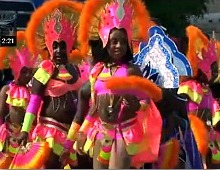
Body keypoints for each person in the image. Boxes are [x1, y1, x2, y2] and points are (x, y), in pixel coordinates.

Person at [64, 0, 163, 169]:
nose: (119, 46)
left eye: (123, 42)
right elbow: (93, 109)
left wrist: (135, 106)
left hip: (124, 134)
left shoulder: (132, 71)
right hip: (101, 133)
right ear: (105, 41)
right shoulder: (97, 71)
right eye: (114, 41)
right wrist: (80, 134)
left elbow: (145, 103)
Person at [16, 0, 84, 168]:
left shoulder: (77, 69)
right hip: (50, 132)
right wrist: (25, 130)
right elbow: (34, 101)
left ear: (70, 46)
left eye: (62, 46)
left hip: (71, 134)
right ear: (49, 46)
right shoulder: (45, 69)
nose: (59, 50)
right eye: (55, 46)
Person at [177, 25, 220, 169]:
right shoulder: (188, 87)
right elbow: (180, 110)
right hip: (192, 137)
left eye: (216, 70)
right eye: (212, 70)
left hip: (209, 137)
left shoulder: (207, 89)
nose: (215, 74)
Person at [0, 31, 36, 168]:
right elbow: (1, 114)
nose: (28, 75)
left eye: (30, 72)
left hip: (27, 137)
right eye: (24, 71)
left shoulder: (33, 92)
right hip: (9, 137)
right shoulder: (6, 90)